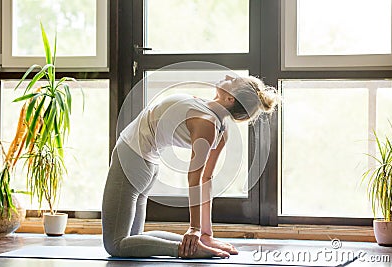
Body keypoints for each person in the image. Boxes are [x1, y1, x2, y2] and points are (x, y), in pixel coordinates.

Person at [102, 75, 280, 258]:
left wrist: (195, 228)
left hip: (132, 159)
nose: (227, 76)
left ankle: (185, 249)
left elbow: (197, 178)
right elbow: (206, 179)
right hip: (144, 163)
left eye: (233, 81)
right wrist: (206, 234)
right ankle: (198, 244)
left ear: (230, 99)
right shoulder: (214, 118)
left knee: (115, 245)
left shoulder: (208, 124)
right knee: (133, 239)